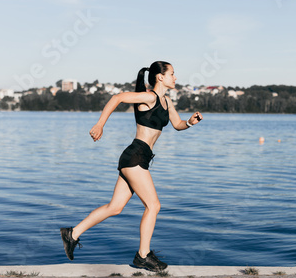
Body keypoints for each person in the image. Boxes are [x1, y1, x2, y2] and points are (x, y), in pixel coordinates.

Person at [60, 61, 203, 271]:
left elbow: (177, 125)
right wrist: (100, 124)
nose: (175, 77)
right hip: (134, 157)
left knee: (115, 207)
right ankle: (143, 255)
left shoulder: (167, 102)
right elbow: (117, 98)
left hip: (140, 158)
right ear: (160, 77)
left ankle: (71, 234)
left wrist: (190, 122)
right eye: (172, 73)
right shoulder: (149, 97)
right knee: (153, 205)